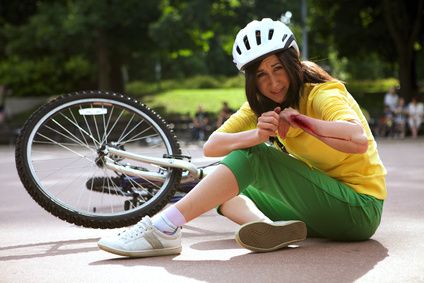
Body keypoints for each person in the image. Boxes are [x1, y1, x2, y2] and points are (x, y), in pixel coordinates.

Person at [97, 18, 387, 257]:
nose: (273, 83)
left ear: (293, 63)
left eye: (277, 69)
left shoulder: (322, 94)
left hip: (358, 209)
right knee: (217, 187)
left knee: (255, 157)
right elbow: (213, 146)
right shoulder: (260, 105)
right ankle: (269, 228)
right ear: (252, 80)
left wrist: (299, 121)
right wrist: (258, 133)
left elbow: (357, 138)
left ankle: (163, 228)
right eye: (261, 75)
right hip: (319, 209)